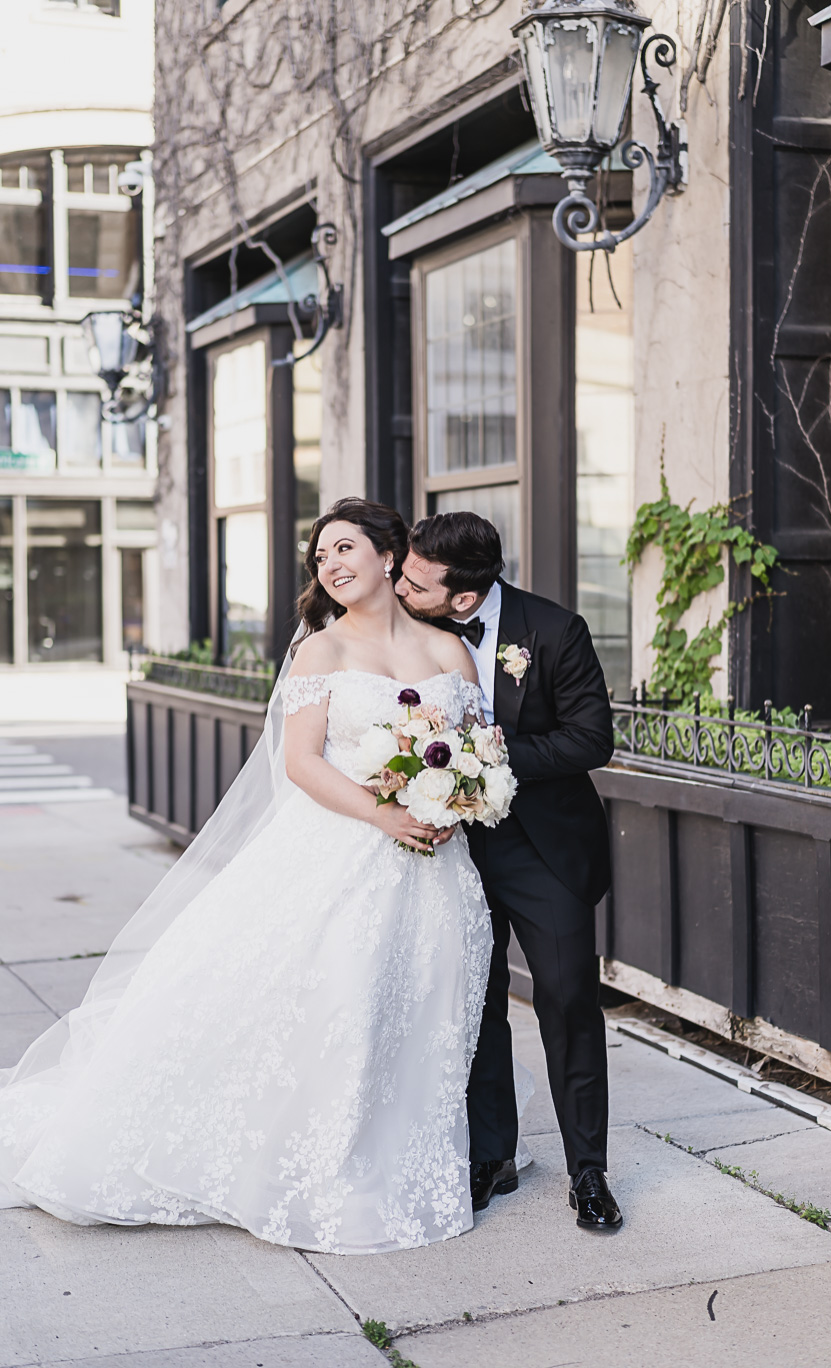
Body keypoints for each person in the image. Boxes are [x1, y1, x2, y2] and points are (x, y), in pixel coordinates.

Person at [0, 498, 495, 1255]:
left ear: (390, 556)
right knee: (344, 1002)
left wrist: (455, 803)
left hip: (436, 866)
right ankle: (325, 1164)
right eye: (320, 557)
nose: (329, 565)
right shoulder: (320, 653)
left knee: (422, 1006)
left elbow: (476, 750)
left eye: (343, 548)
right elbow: (300, 764)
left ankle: (406, 1151)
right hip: (347, 849)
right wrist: (387, 815)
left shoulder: (450, 653)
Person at [396, 511, 621, 1232]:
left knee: (566, 1000)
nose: (401, 586)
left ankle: (589, 1171)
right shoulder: (402, 632)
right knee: (475, 1003)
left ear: (463, 598)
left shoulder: (555, 630)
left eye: (416, 580)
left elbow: (591, 739)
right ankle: (490, 1156)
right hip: (453, 845)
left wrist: (481, 759)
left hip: (542, 847)